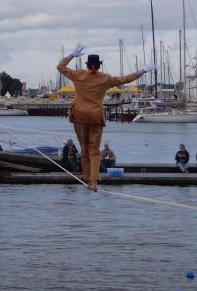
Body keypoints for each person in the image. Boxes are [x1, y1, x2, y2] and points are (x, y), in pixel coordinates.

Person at [57, 46, 151, 192]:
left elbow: (60, 67)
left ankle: (87, 178)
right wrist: (143, 71)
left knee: (83, 150)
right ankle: (94, 181)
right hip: (95, 117)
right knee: (94, 150)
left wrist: (71, 55)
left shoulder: (78, 74)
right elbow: (124, 79)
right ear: (99, 65)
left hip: (80, 116)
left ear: (87, 66)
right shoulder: (104, 78)